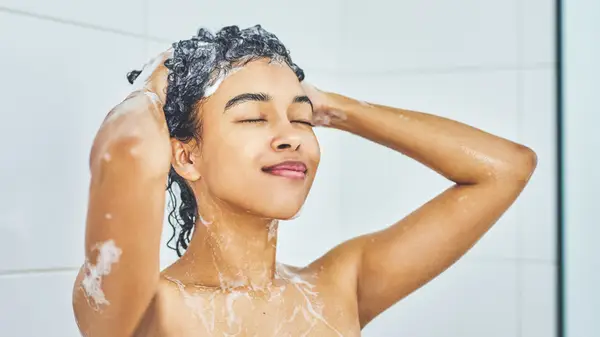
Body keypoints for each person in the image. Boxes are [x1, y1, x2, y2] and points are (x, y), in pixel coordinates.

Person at [71, 25, 537, 337]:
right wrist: (151, 91)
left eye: (301, 119)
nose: (290, 137)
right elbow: (129, 153)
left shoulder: (338, 287)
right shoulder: (142, 311)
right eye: (254, 117)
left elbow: (505, 168)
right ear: (186, 156)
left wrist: (336, 108)